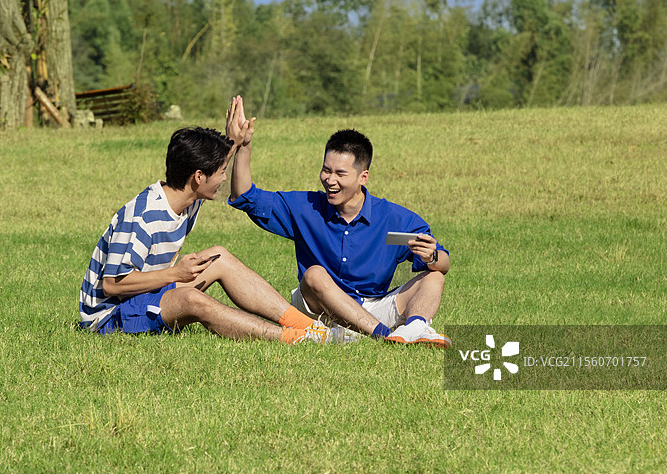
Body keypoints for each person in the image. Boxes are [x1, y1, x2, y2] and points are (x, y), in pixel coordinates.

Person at [78, 107, 334, 344]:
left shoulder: (186, 196)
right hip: (110, 317)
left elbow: (209, 168)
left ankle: (310, 328)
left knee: (219, 257)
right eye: (221, 172)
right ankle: (294, 339)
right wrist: (175, 274)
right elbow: (112, 284)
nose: (224, 178)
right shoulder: (143, 217)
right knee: (192, 300)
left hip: (145, 295)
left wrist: (235, 142)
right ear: (198, 176)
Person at [227, 96, 451, 348]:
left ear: (363, 176)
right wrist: (243, 146)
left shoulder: (394, 218)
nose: (330, 180)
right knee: (315, 275)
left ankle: (416, 328)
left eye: (340, 173)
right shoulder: (305, 207)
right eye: (326, 170)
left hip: (371, 307)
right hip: (316, 312)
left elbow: (443, 262)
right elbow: (244, 196)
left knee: (434, 277)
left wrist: (432, 257)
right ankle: (384, 337)